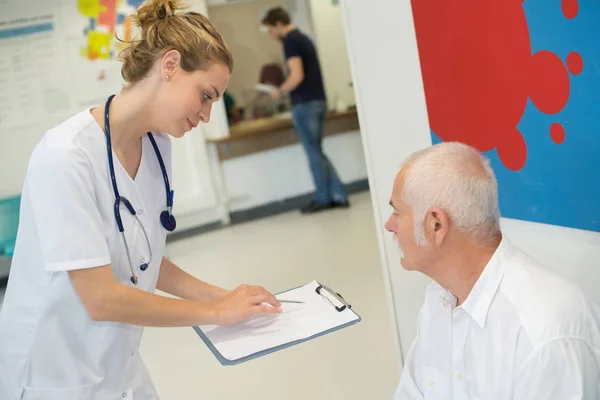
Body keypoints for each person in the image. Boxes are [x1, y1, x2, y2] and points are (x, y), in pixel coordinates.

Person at [0, 1, 282, 399]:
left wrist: (225, 295)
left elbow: (143, 255)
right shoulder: (65, 156)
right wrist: (216, 313)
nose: (206, 114)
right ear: (169, 65)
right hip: (53, 371)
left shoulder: (157, 147)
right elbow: (99, 298)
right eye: (205, 95)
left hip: (116, 362)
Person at [386, 142, 600, 399]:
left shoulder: (544, 334)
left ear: (435, 224)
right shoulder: (439, 301)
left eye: (397, 213)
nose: (389, 225)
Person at [261, 7, 350, 214]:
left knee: (313, 154)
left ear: (279, 24)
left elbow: (297, 75)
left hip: (305, 104)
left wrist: (279, 91)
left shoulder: (290, 41)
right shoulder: (304, 38)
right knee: (317, 152)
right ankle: (337, 195)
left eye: (271, 30)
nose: (271, 35)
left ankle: (324, 198)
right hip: (318, 101)